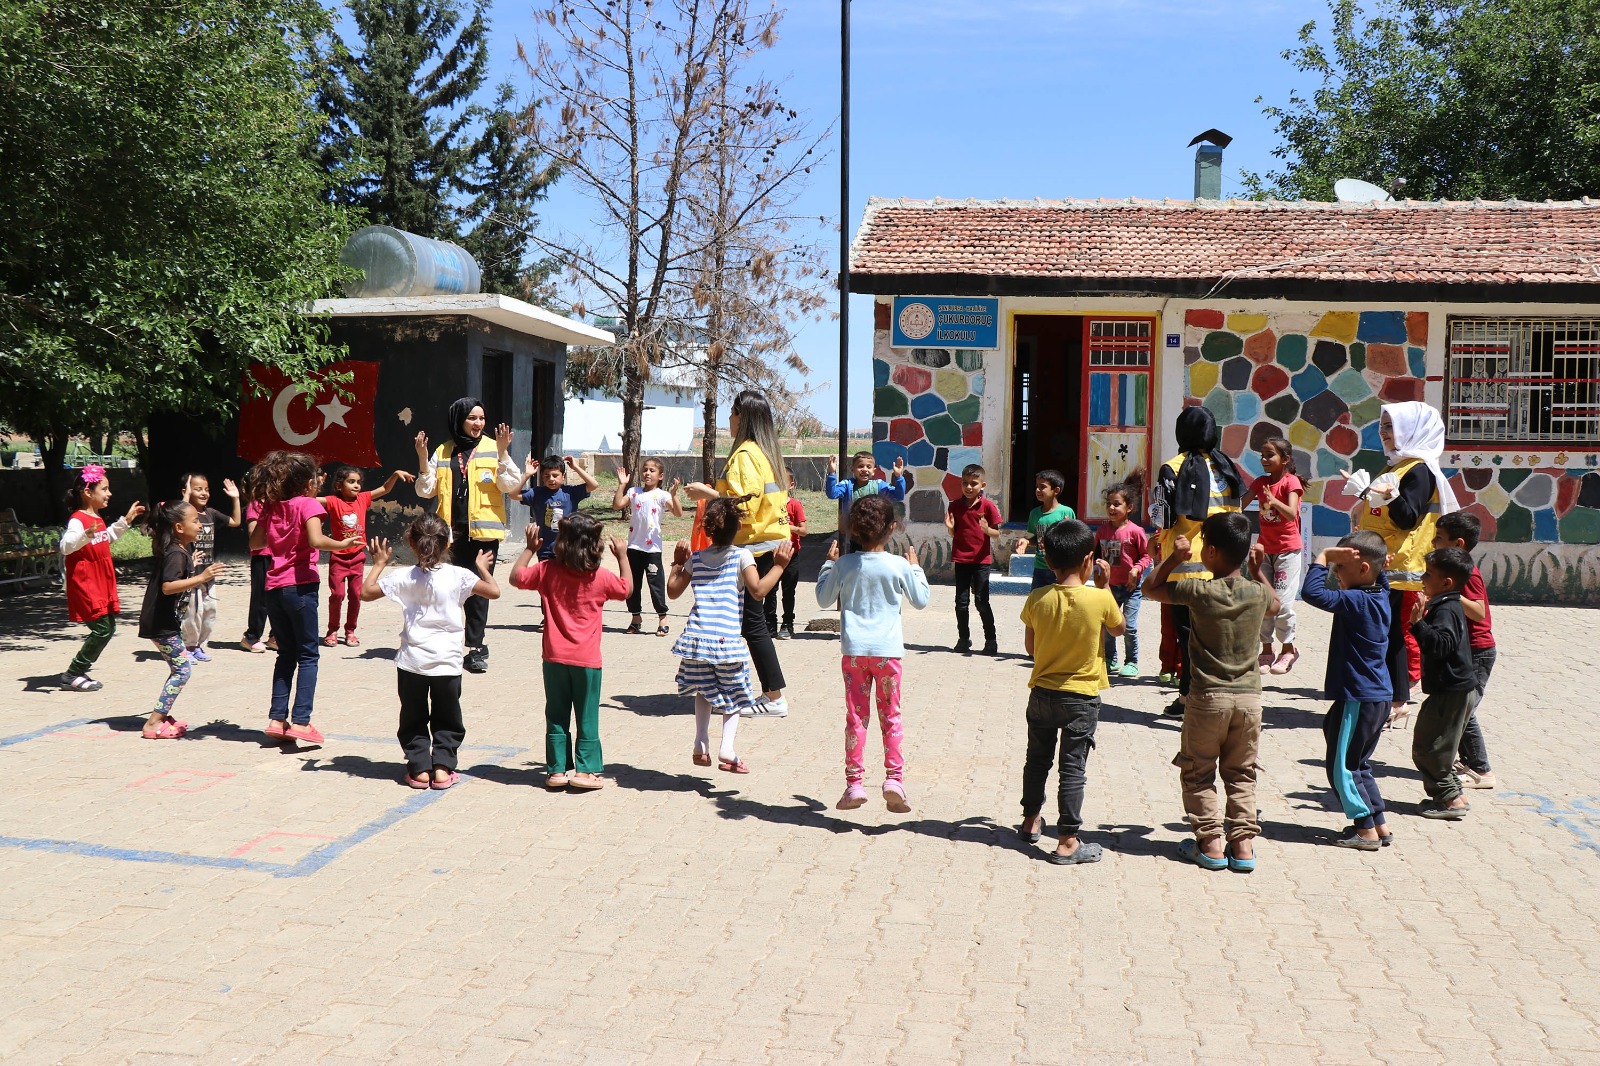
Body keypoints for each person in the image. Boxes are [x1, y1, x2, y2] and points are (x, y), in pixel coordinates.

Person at [1142, 513, 1276, 874]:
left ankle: (1211, 843)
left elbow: (1150, 589)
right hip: (1249, 701)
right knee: (1242, 774)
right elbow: (1276, 605)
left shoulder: (1199, 591)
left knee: (1199, 772)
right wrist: (1258, 570)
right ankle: (1243, 846)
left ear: (1211, 551)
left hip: (1206, 699)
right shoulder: (1257, 591)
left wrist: (1172, 559)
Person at [361, 514, 499, 790]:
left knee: (413, 717)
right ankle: (442, 769)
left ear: (411, 543)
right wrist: (482, 567)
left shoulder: (403, 576)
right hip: (447, 662)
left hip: (412, 661)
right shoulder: (460, 575)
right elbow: (493, 592)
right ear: (448, 542)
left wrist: (377, 565)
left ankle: (419, 769)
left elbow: (366, 593)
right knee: (448, 718)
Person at [1343, 401, 1459, 725]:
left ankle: (1398, 701)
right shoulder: (1397, 467)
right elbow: (1385, 512)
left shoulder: (1418, 470)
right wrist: (1366, 492)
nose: (1383, 432)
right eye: (1382, 426)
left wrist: (1386, 495)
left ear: (1411, 429)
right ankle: (1391, 697)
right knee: (1386, 632)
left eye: (1390, 426)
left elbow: (1407, 517)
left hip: (1401, 568)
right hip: (1385, 564)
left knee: (1393, 634)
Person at [1017, 519, 1125, 866]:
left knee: (1037, 761)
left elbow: (1031, 650)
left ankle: (1031, 820)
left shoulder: (1037, 598)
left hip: (1042, 694)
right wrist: (1105, 586)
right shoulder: (1098, 599)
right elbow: (1119, 628)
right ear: (1088, 559)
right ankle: (1067, 841)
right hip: (1081, 698)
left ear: (1048, 560)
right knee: (1072, 768)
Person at [816, 496, 930, 812]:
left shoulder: (845, 564)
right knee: (890, 717)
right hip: (888, 654)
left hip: (853, 654)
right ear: (891, 528)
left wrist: (828, 564)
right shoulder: (898, 565)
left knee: (856, 718)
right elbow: (921, 599)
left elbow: (824, 599)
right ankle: (894, 780)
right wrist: (916, 568)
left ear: (854, 530)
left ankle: (854, 785)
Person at [685, 390, 793, 717]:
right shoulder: (765, 453)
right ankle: (754, 692)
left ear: (742, 417)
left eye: (732, 414)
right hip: (768, 544)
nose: (728, 420)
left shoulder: (745, 455)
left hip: (755, 547)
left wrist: (708, 494)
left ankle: (773, 698)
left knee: (752, 625)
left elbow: (743, 510)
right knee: (750, 624)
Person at [667, 497, 794, 775]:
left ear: (708, 530)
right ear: (737, 528)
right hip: (726, 641)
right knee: (736, 695)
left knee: (703, 689)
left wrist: (677, 563)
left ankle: (701, 741)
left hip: (697, 639)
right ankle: (727, 748)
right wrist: (780, 566)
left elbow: (673, 591)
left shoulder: (697, 558)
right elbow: (758, 591)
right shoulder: (741, 556)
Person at [510, 515, 631, 791]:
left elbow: (516, 577)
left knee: (556, 713)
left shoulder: (547, 570)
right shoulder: (599, 576)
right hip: (587, 661)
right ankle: (585, 772)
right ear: (594, 546)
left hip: (553, 658)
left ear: (562, 542)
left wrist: (529, 548)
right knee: (587, 714)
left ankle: (556, 770)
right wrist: (623, 557)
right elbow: (626, 590)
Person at [250, 450, 361, 749]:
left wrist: (278, 537)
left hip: (274, 588)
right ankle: (301, 721)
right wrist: (342, 543)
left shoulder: (273, 506)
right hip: (300, 587)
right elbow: (315, 540)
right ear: (307, 482)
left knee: (285, 654)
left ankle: (276, 721)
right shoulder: (308, 504)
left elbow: (256, 542)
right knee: (309, 655)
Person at [1300, 531, 1395, 851]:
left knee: (1342, 765)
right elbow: (1383, 578)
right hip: (1374, 696)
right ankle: (1379, 823)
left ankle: (1364, 829)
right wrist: (1382, 568)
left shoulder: (1357, 600)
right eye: (1335, 566)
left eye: (1340, 567)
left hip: (1358, 696)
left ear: (1364, 569)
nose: (1336, 572)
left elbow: (1312, 594)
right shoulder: (1380, 594)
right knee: (1357, 760)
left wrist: (1323, 558)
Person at [414, 397, 523, 673]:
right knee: (445, 591)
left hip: (483, 535)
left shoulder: (493, 448)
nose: (478, 423)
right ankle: (445, 644)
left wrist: (503, 453)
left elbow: (510, 484)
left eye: (481, 418)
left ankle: (475, 648)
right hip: (448, 535)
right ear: (459, 420)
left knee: (478, 592)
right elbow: (425, 491)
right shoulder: (444, 450)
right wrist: (423, 460)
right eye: (472, 418)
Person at [1151, 406, 1244, 717]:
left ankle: (1191, 697)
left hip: (1185, 567)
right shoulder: (1227, 467)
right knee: (1218, 636)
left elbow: (1160, 516)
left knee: (1190, 638)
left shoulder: (1172, 467)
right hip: (1225, 564)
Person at [137, 502, 223, 739]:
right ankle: (153, 723)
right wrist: (201, 577)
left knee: (179, 668)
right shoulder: (176, 553)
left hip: (162, 621)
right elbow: (167, 587)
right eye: (195, 521)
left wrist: (191, 565)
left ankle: (161, 716)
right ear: (178, 527)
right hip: (160, 623)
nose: (200, 525)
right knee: (182, 671)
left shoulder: (179, 550)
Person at [58, 465, 145, 692]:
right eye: (104, 489)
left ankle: (77, 670)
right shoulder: (78, 520)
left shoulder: (95, 516)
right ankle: (72, 673)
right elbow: (66, 547)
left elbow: (107, 538)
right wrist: (84, 536)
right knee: (103, 629)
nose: (109, 493)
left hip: (100, 580)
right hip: (86, 583)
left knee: (107, 627)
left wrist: (125, 521)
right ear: (88, 492)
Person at [1408, 547, 1480, 820]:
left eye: (1428, 574)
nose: (1423, 578)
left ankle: (1449, 801)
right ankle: (1455, 794)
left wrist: (1418, 624)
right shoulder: (1446, 605)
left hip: (1451, 690)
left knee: (1429, 747)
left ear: (1446, 582)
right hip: (1455, 689)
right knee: (1440, 745)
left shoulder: (1445, 609)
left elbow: (1441, 646)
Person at [1432, 512, 1497, 790]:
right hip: (1464, 651)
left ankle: (1482, 771)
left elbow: (1479, 611)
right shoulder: (1454, 568)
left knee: (1465, 711)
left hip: (1478, 651)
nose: (1433, 542)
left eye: (1439, 538)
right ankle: (1468, 761)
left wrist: (1450, 594)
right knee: (1458, 708)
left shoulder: (1467, 572)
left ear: (1458, 544)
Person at [321, 464, 414, 648]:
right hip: (338, 558)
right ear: (339, 485)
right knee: (337, 595)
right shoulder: (332, 501)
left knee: (356, 595)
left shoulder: (363, 499)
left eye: (358, 482)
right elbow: (310, 501)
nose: (356, 486)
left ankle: (350, 631)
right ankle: (332, 629)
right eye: (351, 482)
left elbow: (385, 489)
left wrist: (395, 473)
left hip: (357, 557)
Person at [1242, 437, 1304, 675]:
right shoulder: (1260, 482)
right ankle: (1266, 650)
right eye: (1262, 455)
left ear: (1285, 459)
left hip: (1288, 551)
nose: (1264, 459)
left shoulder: (1292, 482)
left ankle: (1288, 649)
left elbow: (1290, 514)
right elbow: (1240, 504)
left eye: (1270, 455)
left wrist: (1273, 500)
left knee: (1284, 603)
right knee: (1264, 601)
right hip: (1264, 551)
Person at [612, 457, 682, 636]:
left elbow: (678, 513)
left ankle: (662, 618)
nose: (647, 473)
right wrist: (622, 485)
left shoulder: (663, 495)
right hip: (634, 547)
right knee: (632, 585)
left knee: (656, 585)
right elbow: (617, 505)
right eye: (645, 470)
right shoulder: (634, 491)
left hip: (653, 550)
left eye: (652, 470)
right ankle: (636, 618)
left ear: (660, 476)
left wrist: (674, 494)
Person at [176, 472, 240, 662]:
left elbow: (235, 522)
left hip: (209, 572)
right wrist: (186, 498)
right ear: (187, 491)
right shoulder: (185, 515)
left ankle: (197, 646)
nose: (204, 493)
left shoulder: (210, 513)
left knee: (209, 612)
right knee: (192, 613)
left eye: (206, 489)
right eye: (198, 489)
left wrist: (235, 498)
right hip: (192, 574)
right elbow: (178, 514)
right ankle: (187, 647)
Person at [1094, 482, 1150, 678]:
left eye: (1117, 504)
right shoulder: (1102, 531)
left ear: (1129, 508)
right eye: (1109, 503)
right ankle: (1111, 659)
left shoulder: (1136, 531)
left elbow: (1146, 556)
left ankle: (1132, 661)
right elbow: (1096, 555)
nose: (1111, 508)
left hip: (1131, 588)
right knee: (1109, 625)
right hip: (1109, 588)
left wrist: (1136, 569)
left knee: (1130, 627)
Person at [945, 463, 1002, 656]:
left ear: (982, 485)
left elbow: (997, 534)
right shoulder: (954, 506)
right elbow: (954, 532)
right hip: (961, 560)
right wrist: (950, 527)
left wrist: (987, 530)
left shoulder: (988, 506)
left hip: (981, 561)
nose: (969, 487)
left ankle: (991, 640)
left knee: (981, 601)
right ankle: (963, 638)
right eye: (965, 483)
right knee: (961, 602)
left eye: (974, 483)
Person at [824, 451, 907, 551]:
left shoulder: (879, 485)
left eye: (868, 467)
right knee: (856, 554)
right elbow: (832, 493)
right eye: (860, 466)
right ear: (852, 469)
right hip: (856, 530)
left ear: (874, 470)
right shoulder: (847, 485)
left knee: (875, 553)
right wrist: (832, 473)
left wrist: (898, 477)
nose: (864, 470)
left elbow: (898, 496)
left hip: (875, 528)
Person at [1014, 469, 1076, 591]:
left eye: (1042, 487)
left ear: (1056, 490)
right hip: (1040, 567)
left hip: (1060, 569)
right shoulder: (1034, 513)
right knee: (1037, 603)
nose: (1037, 490)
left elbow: (1073, 540)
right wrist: (1026, 541)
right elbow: (1038, 538)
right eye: (1036, 486)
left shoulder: (1066, 512)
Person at [240, 464, 274, 653]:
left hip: (279, 557)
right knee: (261, 599)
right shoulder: (256, 506)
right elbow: (255, 539)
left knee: (279, 598)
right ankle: (251, 637)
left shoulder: (279, 503)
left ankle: (275, 636)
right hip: (263, 558)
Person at [776, 473, 807, 640]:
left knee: (788, 591)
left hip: (791, 554)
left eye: (783, 483)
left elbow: (804, 530)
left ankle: (787, 623)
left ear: (791, 485)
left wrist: (789, 528)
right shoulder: (769, 504)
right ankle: (768, 622)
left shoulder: (795, 505)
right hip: (772, 554)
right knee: (769, 590)